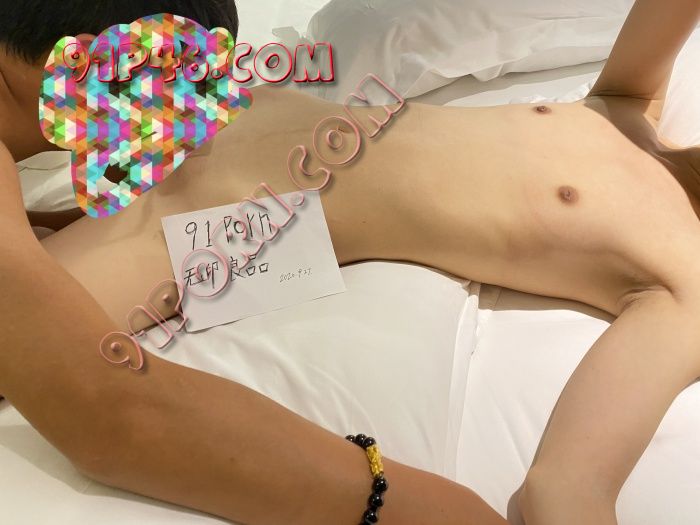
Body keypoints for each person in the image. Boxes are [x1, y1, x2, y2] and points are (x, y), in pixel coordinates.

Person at [1, 0, 699, 524]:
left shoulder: (686, 280)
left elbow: (566, 489)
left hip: (225, 221)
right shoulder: (632, 105)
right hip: (208, 114)